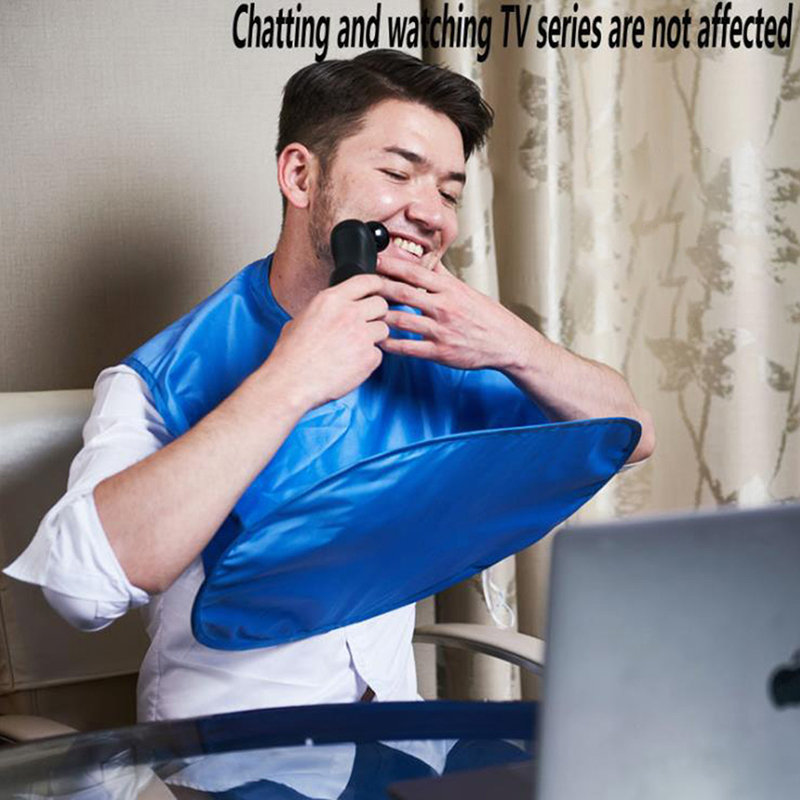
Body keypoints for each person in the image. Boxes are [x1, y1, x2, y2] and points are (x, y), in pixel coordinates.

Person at [5, 50, 655, 722]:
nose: (431, 214)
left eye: (449, 192)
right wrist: (290, 380)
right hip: (226, 751)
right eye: (398, 173)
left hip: (392, 740)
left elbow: (630, 435)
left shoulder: (435, 346)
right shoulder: (166, 375)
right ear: (300, 176)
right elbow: (80, 592)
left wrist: (514, 345)